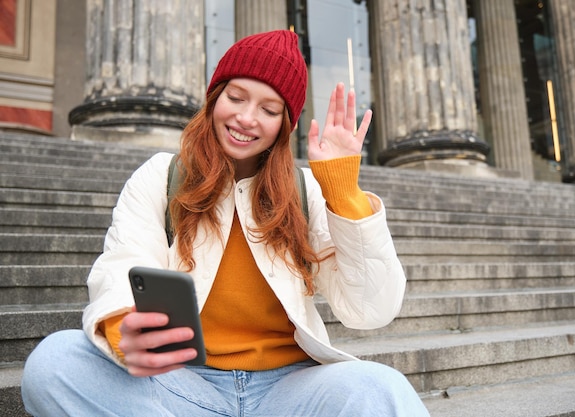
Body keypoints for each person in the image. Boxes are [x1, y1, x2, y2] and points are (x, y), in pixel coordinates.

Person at [21, 30, 431, 417]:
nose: (247, 118)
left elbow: (371, 309)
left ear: (283, 126)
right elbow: (121, 266)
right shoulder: (160, 175)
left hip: (289, 388)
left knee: (379, 388)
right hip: (181, 384)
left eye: (269, 110)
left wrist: (343, 191)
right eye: (236, 97)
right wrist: (121, 326)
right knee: (55, 361)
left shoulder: (306, 191)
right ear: (215, 97)